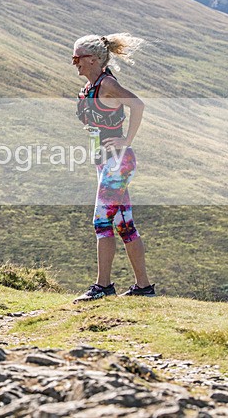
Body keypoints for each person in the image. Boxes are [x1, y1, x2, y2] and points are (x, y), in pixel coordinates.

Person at [71, 34, 156, 302]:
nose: (74, 64)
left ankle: (103, 286)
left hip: (117, 162)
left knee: (101, 221)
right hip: (106, 162)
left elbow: (137, 104)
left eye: (77, 58)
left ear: (93, 59)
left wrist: (127, 140)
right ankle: (143, 287)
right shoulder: (91, 87)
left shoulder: (107, 83)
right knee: (124, 224)